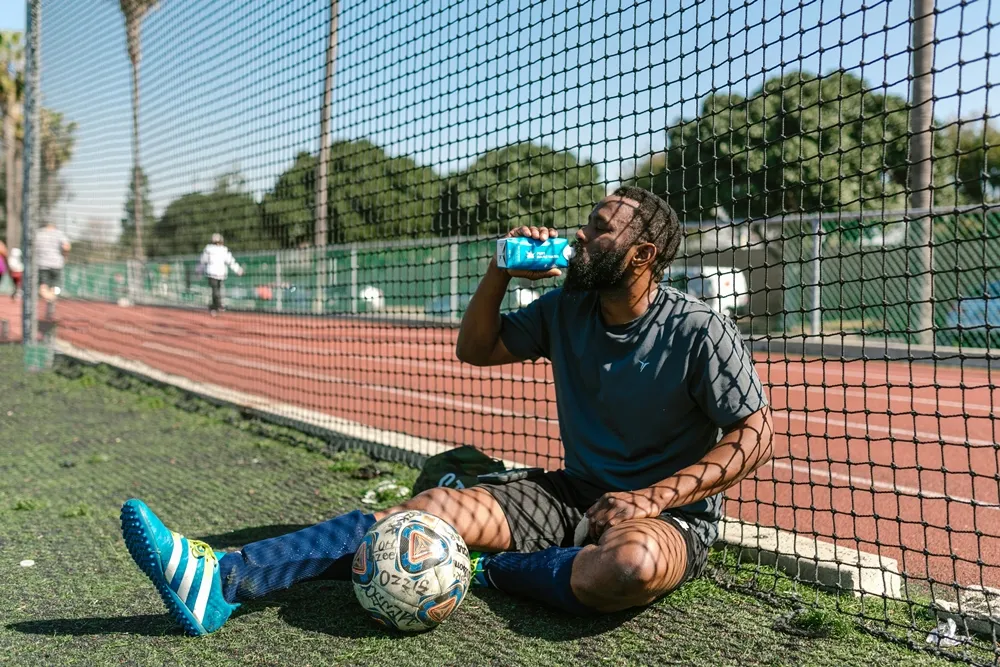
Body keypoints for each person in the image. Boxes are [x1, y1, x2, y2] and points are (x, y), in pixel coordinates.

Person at [119, 186, 772, 636]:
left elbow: (755, 433)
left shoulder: (698, 329)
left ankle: (492, 569)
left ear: (642, 256)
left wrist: (651, 498)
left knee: (626, 568)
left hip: (669, 516)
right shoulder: (566, 307)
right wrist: (499, 270)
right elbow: (477, 348)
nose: (580, 234)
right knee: (426, 509)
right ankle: (223, 579)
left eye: (599, 228)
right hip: (571, 493)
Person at [198, 233, 243, 316]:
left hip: (220, 274)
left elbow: (230, 261)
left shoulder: (222, 250)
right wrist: (199, 270)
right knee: (215, 291)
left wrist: (238, 270)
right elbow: (203, 262)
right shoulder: (209, 250)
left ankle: (215, 306)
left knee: (217, 290)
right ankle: (217, 306)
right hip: (212, 274)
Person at [35, 222, 71, 303]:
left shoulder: (39, 233)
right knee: (55, 286)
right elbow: (66, 247)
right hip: (56, 264)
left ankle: (49, 297)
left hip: (42, 264)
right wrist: (65, 257)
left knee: (43, 286)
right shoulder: (58, 233)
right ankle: (52, 298)